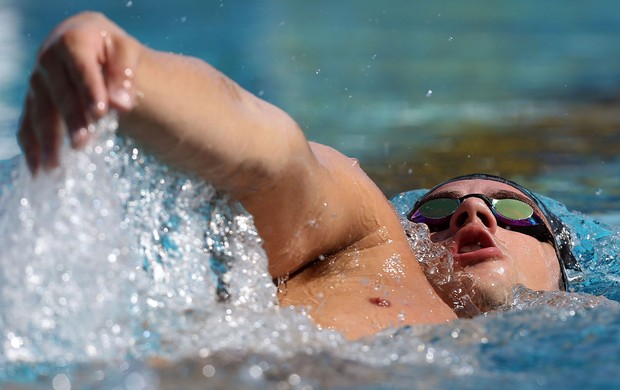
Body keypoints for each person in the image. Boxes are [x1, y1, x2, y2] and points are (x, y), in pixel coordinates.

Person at [17, 12, 577, 339]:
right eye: (432, 214)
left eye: (515, 212)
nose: (471, 213)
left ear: (560, 265)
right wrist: (124, 68)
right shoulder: (368, 248)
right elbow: (276, 161)